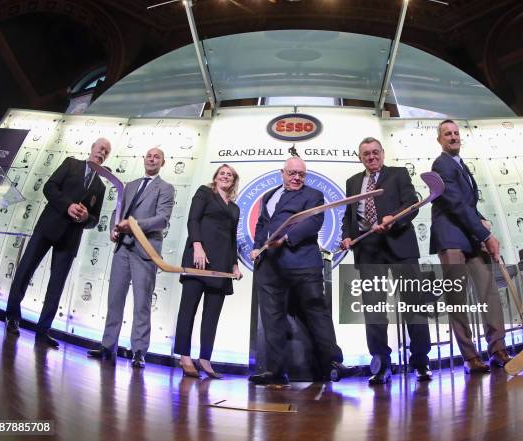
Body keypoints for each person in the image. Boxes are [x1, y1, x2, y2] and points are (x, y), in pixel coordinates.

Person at [248, 157, 358, 387]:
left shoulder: (314, 195)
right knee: (273, 319)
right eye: (292, 173)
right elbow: (262, 225)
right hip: (269, 267)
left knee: (317, 314)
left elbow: (313, 223)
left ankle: (333, 364)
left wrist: (286, 238)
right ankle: (276, 371)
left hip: (302, 265)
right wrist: (257, 247)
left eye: (301, 174)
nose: (297, 177)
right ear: (283, 172)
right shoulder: (268, 197)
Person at [5, 137, 112, 348]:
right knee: (25, 270)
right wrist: (68, 206)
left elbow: (94, 219)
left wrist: (84, 218)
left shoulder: (100, 186)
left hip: (70, 239)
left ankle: (43, 331)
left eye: (106, 151)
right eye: (100, 148)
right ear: (92, 148)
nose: (102, 152)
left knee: (56, 286)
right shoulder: (71, 163)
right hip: (47, 228)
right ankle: (12, 316)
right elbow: (49, 187)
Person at [340, 137, 432, 384]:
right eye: (366, 154)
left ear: (382, 153)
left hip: (400, 245)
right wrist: (347, 236)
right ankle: (381, 365)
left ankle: (421, 362)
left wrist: (394, 219)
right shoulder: (352, 182)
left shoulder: (399, 174)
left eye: (375, 152)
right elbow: (348, 216)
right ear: (360, 157)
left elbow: (412, 204)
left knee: (414, 305)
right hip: (368, 251)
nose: (371, 157)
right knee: (374, 311)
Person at [430, 120, 510, 374]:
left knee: (489, 292)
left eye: (455, 133)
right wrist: (485, 236)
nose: (453, 137)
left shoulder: (461, 165)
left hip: (469, 236)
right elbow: (455, 204)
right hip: (451, 238)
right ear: (440, 140)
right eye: (447, 134)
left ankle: (497, 349)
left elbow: (469, 206)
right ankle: (470, 357)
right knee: (457, 300)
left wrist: (482, 223)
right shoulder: (441, 164)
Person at [88, 147, 174, 367]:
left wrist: (133, 226)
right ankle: (108, 345)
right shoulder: (130, 185)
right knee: (114, 299)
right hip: (122, 249)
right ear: (143, 159)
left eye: (157, 156)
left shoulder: (166, 188)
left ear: (163, 163)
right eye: (149, 155)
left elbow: (162, 220)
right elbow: (118, 211)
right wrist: (113, 228)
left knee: (142, 304)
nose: (152, 158)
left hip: (146, 251)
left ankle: (139, 352)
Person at [173, 164, 242, 379]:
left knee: (212, 315)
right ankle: (184, 356)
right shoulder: (204, 192)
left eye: (229, 175)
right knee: (188, 309)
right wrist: (197, 246)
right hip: (198, 260)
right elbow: (193, 219)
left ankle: (205, 359)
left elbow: (232, 239)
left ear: (233, 181)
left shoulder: (235, 208)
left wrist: (234, 264)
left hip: (221, 266)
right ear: (215, 177)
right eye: (222, 173)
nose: (225, 176)